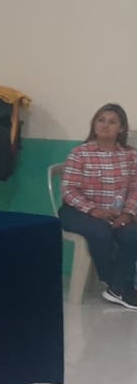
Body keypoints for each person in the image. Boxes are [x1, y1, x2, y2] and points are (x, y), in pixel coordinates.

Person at [59, 103, 137, 309]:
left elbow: (135, 189)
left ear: (121, 128)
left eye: (112, 122)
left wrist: (128, 214)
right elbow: (69, 190)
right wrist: (93, 210)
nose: (105, 125)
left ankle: (118, 288)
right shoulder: (80, 153)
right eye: (101, 120)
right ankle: (118, 285)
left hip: (116, 213)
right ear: (94, 124)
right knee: (101, 232)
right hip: (78, 211)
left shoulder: (130, 156)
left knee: (132, 234)